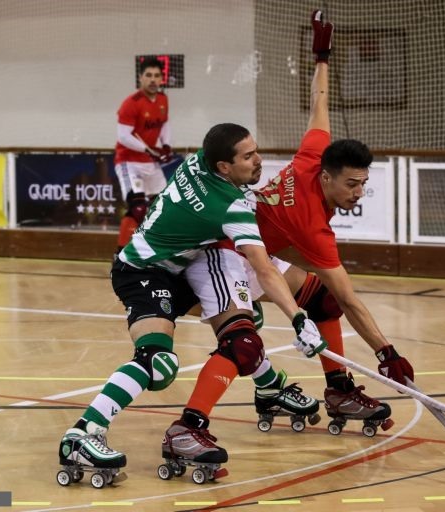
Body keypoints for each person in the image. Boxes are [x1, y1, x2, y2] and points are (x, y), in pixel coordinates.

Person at [57, 123, 327, 483]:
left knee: (243, 323)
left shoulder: (198, 162)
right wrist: (297, 318)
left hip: (176, 268)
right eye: (248, 156)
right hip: (143, 272)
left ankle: (270, 387)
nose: (258, 161)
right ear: (224, 168)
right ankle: (81, 434)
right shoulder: (232, 207)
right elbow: (264, 268)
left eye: (255, 151)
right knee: (158, 363)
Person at [234, 10, 415, 433]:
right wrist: (386, 352)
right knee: (312, 305)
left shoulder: (314, 155)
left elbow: (319, 102)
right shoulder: (312, 225)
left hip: (262, 245)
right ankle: (267, 391)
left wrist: (322, 56)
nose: (358, 192)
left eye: (364, 184)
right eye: (352, 184)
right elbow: (353, 300)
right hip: (239, 259)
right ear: (328, 178)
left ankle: (338, 389)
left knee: (322, 300)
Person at [113, 56, 173, 253]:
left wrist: (166, 146)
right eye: (149, 75)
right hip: (128, 162)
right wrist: (149, 150)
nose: (153, 80)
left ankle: (154, 252)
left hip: (150, 162)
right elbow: (123, 136)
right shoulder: (131, 103)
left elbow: (164, 124)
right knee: (138, 207)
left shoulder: (163, 99)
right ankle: (121, 255)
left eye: (157, 75)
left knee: (163, 207)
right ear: (141, 78)